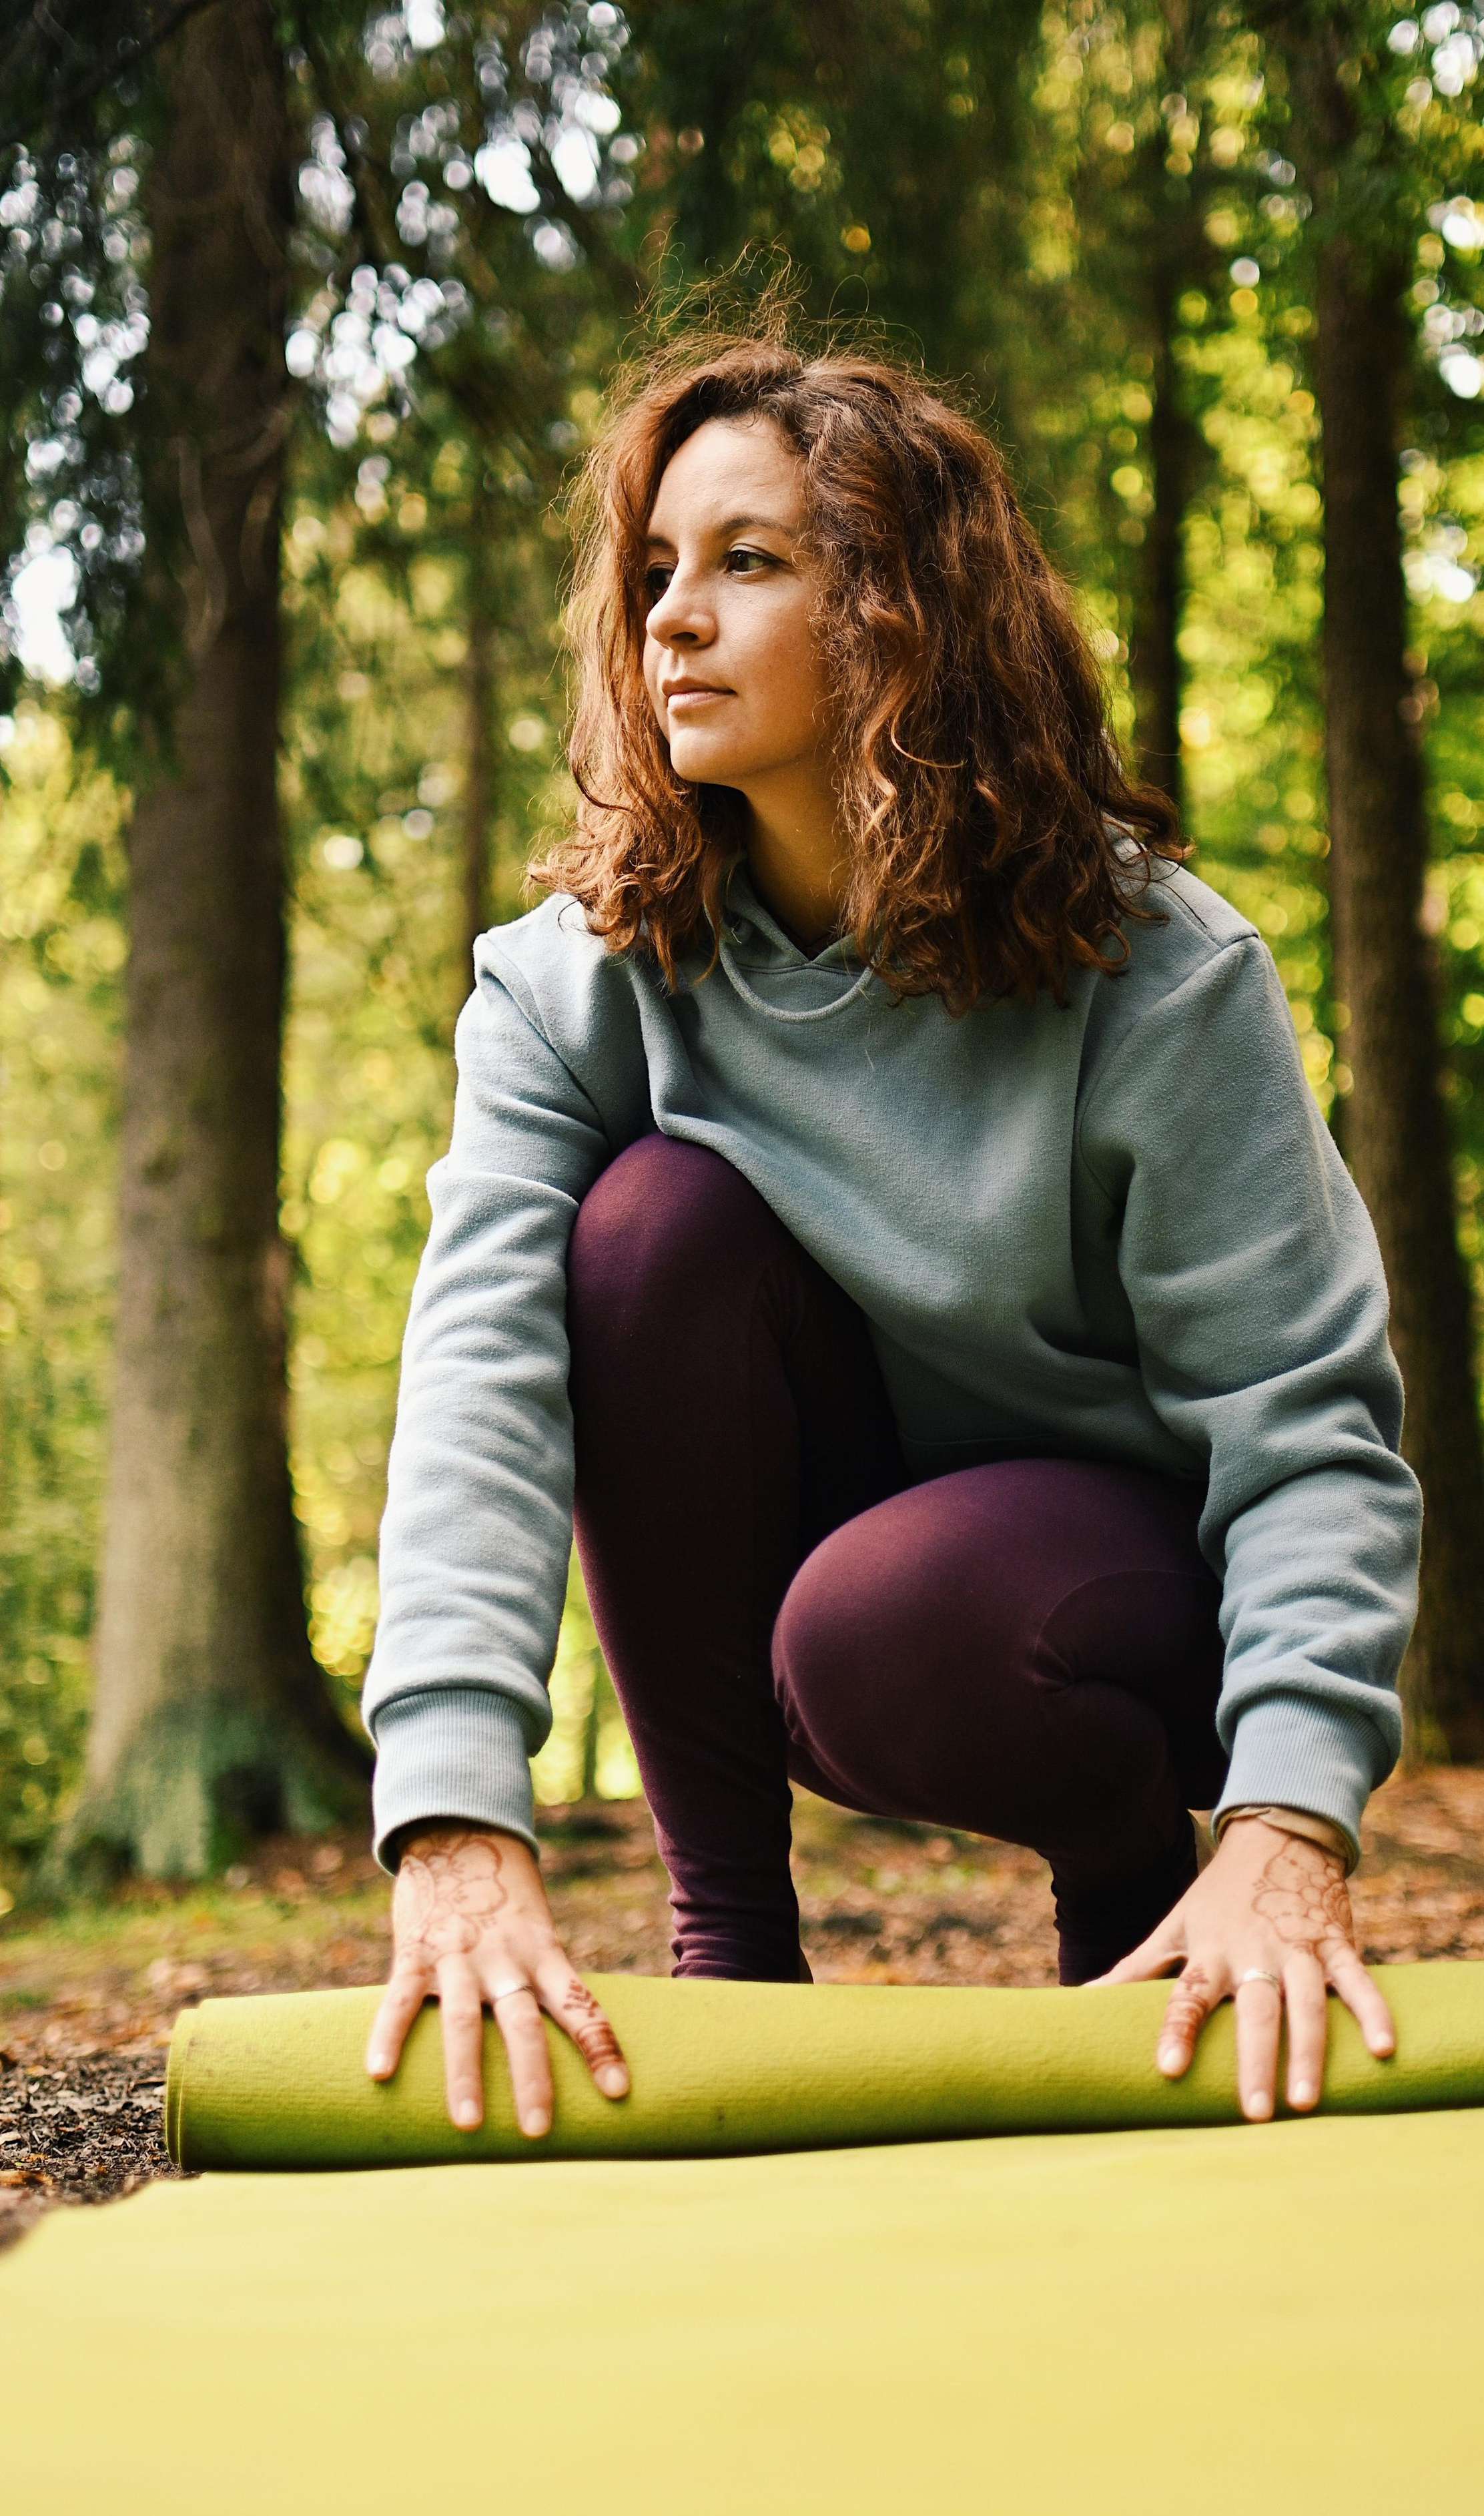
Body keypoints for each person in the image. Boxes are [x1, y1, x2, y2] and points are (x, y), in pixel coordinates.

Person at [359, 333, 1421, 2144]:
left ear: (899, 613)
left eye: (749, 560)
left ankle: (1135, 1887)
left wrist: (1291, 1825)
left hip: (1128, 1587)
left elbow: (1306, 1426)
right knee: (647, 1229)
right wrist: (453, 1809)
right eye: (654, 570)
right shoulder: (572, 987)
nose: (673, 617)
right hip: (820, 1568)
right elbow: (481, 1378)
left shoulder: (1154, 970)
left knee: (884, 1621)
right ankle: (732, 1960)